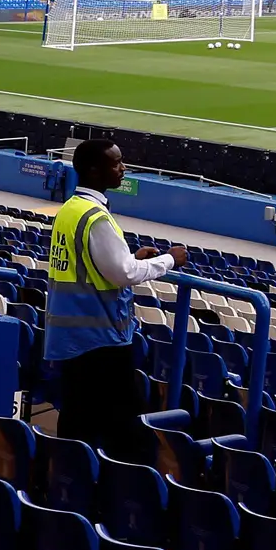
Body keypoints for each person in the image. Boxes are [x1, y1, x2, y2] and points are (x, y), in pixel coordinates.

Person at [47, 138, 181, 462]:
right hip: (100, 342)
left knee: (78, 420)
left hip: (73, 339)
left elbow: (94, 265)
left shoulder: (70, 210)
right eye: (116, 163)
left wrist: (131, 256)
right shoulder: (95, 217)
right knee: (120, 427)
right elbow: (125, 273)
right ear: (94, 170)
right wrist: (170, 260)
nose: (123, 169)